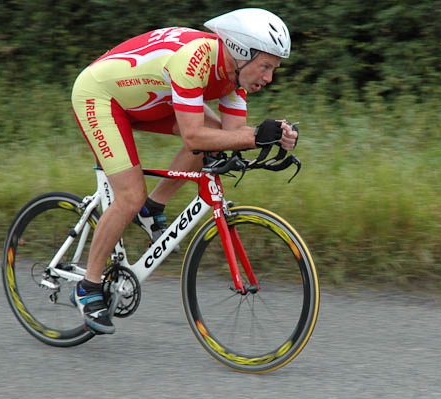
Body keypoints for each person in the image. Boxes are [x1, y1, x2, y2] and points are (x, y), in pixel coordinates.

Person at [70, 8, 299, 334]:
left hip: (148, 101)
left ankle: (153, 207)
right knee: (129, 195)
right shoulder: (195, 59)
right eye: (265, 67)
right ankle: (88, 287)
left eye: (273, 69)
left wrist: (275, 135)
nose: (268, 77)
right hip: (101, 97)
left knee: (215, 143)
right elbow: (194, 136)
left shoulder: (235, 78)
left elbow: (232, 137)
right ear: (241, 53)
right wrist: (252, 136)